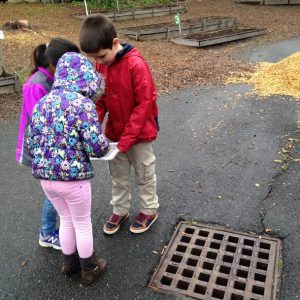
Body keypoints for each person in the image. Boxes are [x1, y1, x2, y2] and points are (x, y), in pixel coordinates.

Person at [27, 52, 110, 285]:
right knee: (82, 222)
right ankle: (89, 269)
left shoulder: (43, 103)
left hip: (46, 179)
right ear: (84, 76)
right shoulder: (81, 103)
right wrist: (105, 148)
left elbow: (32, 141)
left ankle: (68, 264)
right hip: (74, 179)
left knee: (65, 220)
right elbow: (97, 146)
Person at [80, 15, 160, 235]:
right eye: (95, 58)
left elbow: (144, 106)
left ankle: (149, 210)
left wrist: (126, 141)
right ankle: (120, 209)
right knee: (119, 175)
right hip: (115, 135)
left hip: (139, 135)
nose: (100, 62)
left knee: (144, 174)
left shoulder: (136, 64)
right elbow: (100, 100)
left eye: (102, 56)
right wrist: (92, 128)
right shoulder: (101, 65)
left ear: (115, 43)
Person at [16, 38, 80, 250]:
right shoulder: (37, 85)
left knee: (56, 190)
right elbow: (41, 120)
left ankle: (56, 228)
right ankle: (47, 232)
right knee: (54, 191)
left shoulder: (51, 79)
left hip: (53, 145)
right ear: (54, 64)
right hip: (42, 146)